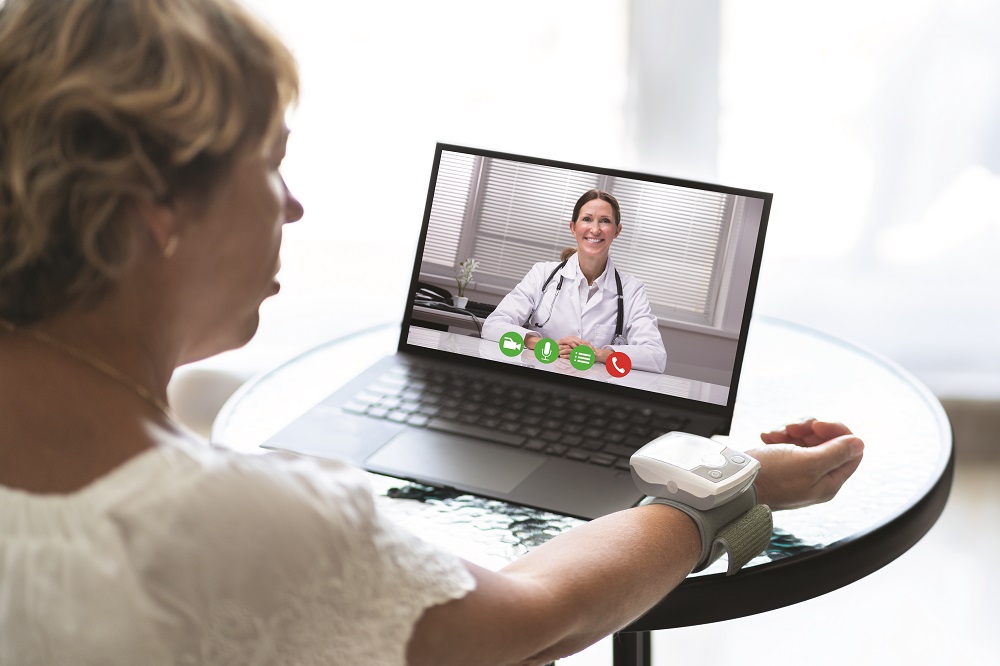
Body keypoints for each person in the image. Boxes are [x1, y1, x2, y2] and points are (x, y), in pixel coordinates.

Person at [0, 1, 865, 664]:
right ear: (158, 207)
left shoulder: (630, 289)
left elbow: (646, 358)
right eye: (270, 162)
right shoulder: (240, 525)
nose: (294, 204)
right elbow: (534, 616)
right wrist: (722, 489)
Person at [482, 189, 668, 373]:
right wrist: (545, 345)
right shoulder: (542, 274)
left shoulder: (631, 290)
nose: (595, 229)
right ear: (573, 227)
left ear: (617, 231)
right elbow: (493, 326)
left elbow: (656, 356)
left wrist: (598, 354)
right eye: (587, 219)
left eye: (605, 221)